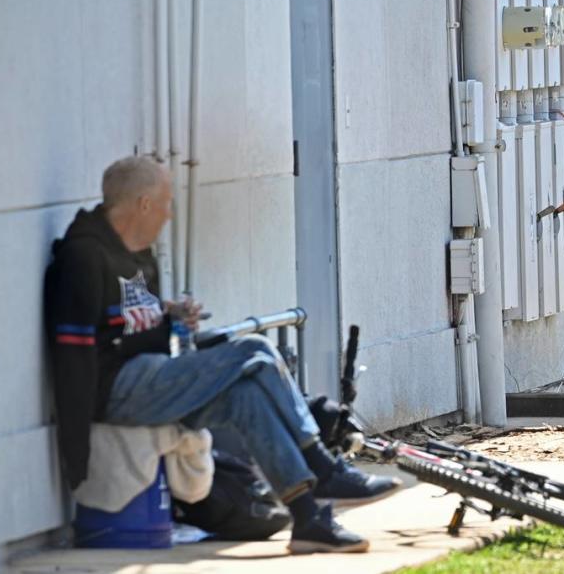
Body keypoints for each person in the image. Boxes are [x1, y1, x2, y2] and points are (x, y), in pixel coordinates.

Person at [45, 155, 400, 553]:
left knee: (246, 396)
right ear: (143, 204)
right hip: (113, 394)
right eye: (165, 202)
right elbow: (73, 361)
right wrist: (77, 456)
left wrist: (169, 314)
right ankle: (321, 464)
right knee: (253, 349)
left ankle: (308, 518)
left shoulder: (139, 256)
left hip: (154, 381)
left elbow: (129, 321)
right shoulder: (81, 259)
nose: (169, 214)